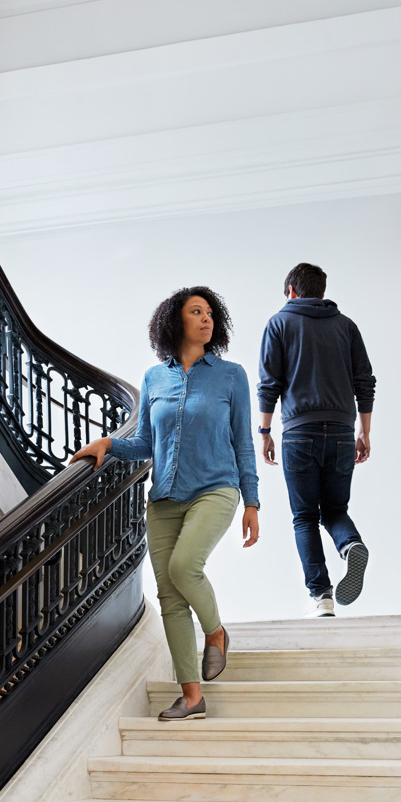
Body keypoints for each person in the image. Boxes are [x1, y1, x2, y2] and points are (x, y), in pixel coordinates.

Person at [71, 287, 259, 720]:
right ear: (176, 321)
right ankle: (192, 697)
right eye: (197, 312)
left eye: (211, 313)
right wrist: (108, 444)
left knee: (183, 567)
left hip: (216, 488)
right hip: (164, 500)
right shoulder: (155, 378)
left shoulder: (231, 376)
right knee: (171, 597)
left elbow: (243, 443)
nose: (206, 319)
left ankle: (215, 634)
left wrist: (252, 501)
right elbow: (146, 444)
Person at [257, 262, 376, 618]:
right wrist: (364, 431)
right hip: (342, 430)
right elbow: (365, 381)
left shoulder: (279, 323)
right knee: (335, 510)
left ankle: (321, 597)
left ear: (291, 291)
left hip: (299, 432)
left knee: (305, 517)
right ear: (322, 292)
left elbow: (269, 384)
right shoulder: (346, 326)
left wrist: (264, 432)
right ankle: (350, 544)